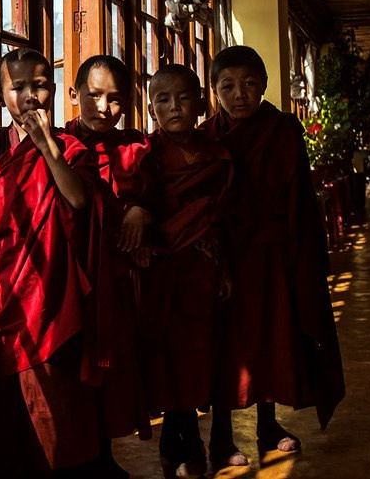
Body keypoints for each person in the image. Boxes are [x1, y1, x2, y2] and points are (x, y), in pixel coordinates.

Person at [201, 45, 345, 469]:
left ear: (264, 86)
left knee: (272, 339)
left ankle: (268, 427)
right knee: (227, 347)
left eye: (249, 84)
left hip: (274, 256)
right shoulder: (207, 136)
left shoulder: (282, 129)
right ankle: (221, 438)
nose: (239, 93)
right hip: (224, 259)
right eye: (227, 85)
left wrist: (309, 258)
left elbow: (301, 197)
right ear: (214, 92)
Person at [0, 48, 103, 478]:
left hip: (56, 289)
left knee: (60, 405)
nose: (31, 97)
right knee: (13, 405)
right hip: (8, 285)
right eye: (19, 88)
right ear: (0, 95)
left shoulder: (70, 146)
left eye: (40, 85)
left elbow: (78, 198)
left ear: (53, 90)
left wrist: (49, 147)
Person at [139, 64, 234, 478]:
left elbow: (222, 219)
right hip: (162, 270)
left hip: (204, 267)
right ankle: (181, 441)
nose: (174, 107)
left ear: (200, 102)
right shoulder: (146, 154)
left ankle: (187, 438)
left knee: (200, 355)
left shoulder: (216, 154)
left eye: (182, 97)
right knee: (168, 357)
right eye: (163, 99)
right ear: (150, 107)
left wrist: (224, 268)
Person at [63, 55, 155, 476]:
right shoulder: (60, 145)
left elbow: (160, 195)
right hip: (71, 274)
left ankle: (104, 454)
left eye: (115, 99)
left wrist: (141, 210)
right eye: (94, 95)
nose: (104, 107)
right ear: (73, 94)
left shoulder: (136, 146)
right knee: (74, 370)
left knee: (112, 368)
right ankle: (78, 457)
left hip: (118, 277)